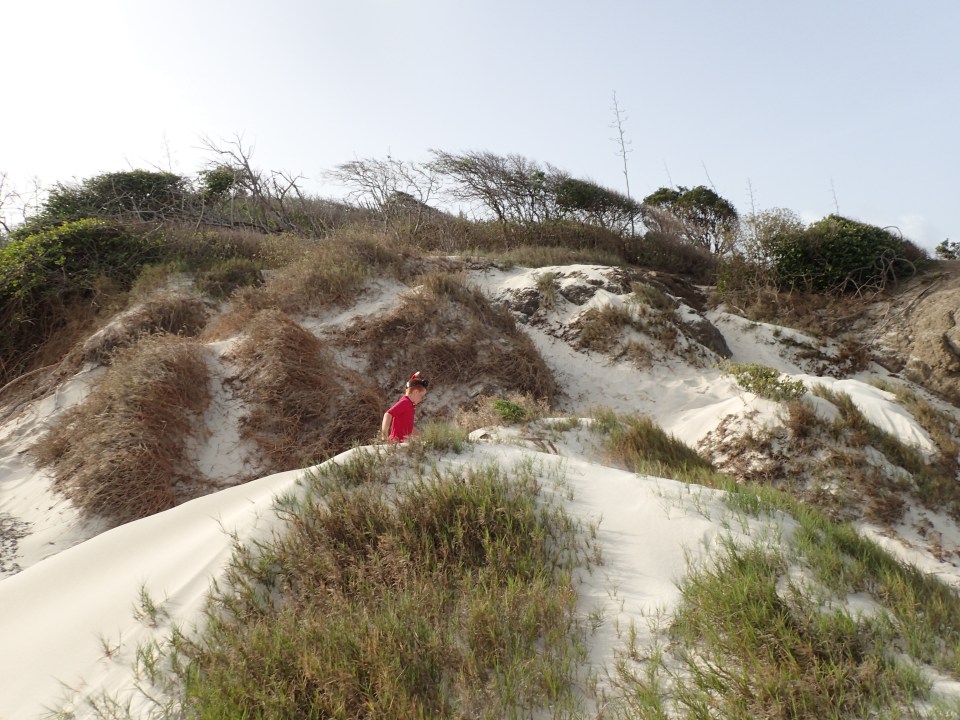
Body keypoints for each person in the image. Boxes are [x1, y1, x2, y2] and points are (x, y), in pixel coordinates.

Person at [381, 371, 429, 442]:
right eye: (421, 396)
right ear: (415, 392)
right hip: (395, 443)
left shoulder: (410, 405)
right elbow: (388, 414)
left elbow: (409, 428)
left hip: (402, 444)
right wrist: (384, 436)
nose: (421, 399)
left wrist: (422, 437)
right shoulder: (405, 402)